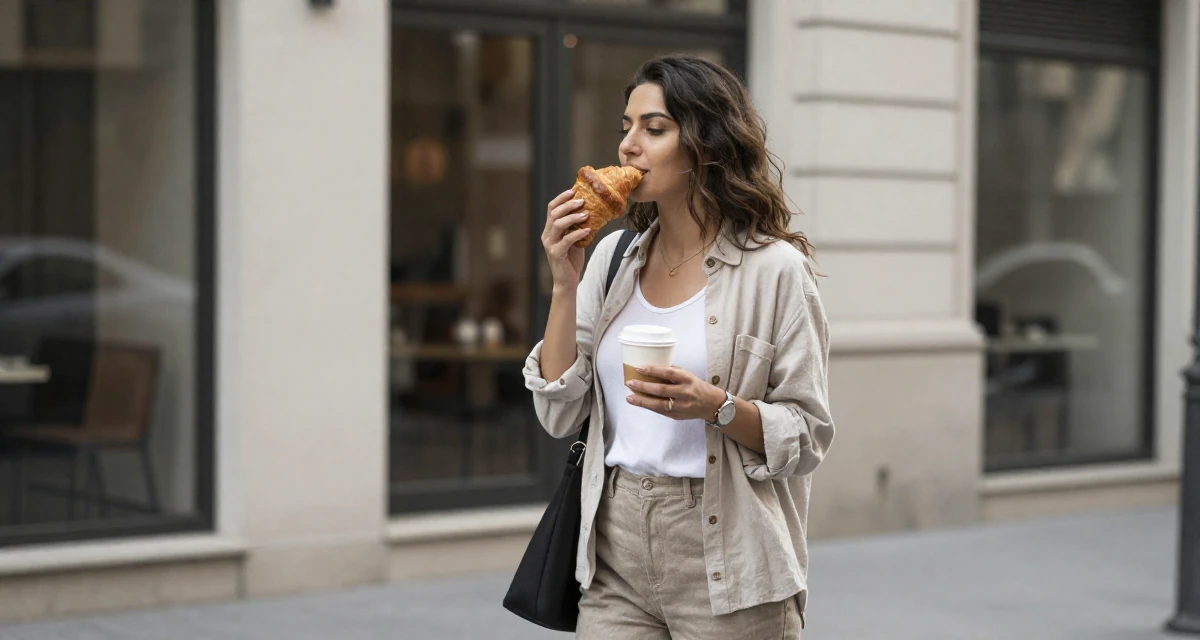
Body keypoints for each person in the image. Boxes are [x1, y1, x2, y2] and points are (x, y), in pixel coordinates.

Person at [523, 54, 834, 639]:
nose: (628, 147)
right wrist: (564, 284)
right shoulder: (613, 260)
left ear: (705, 145)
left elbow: (808, 434)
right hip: (614, 550)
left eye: (654, 129)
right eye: (626, 127)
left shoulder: (776, 272)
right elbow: (559, 411)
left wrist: (714, 406)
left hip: (729, 556)